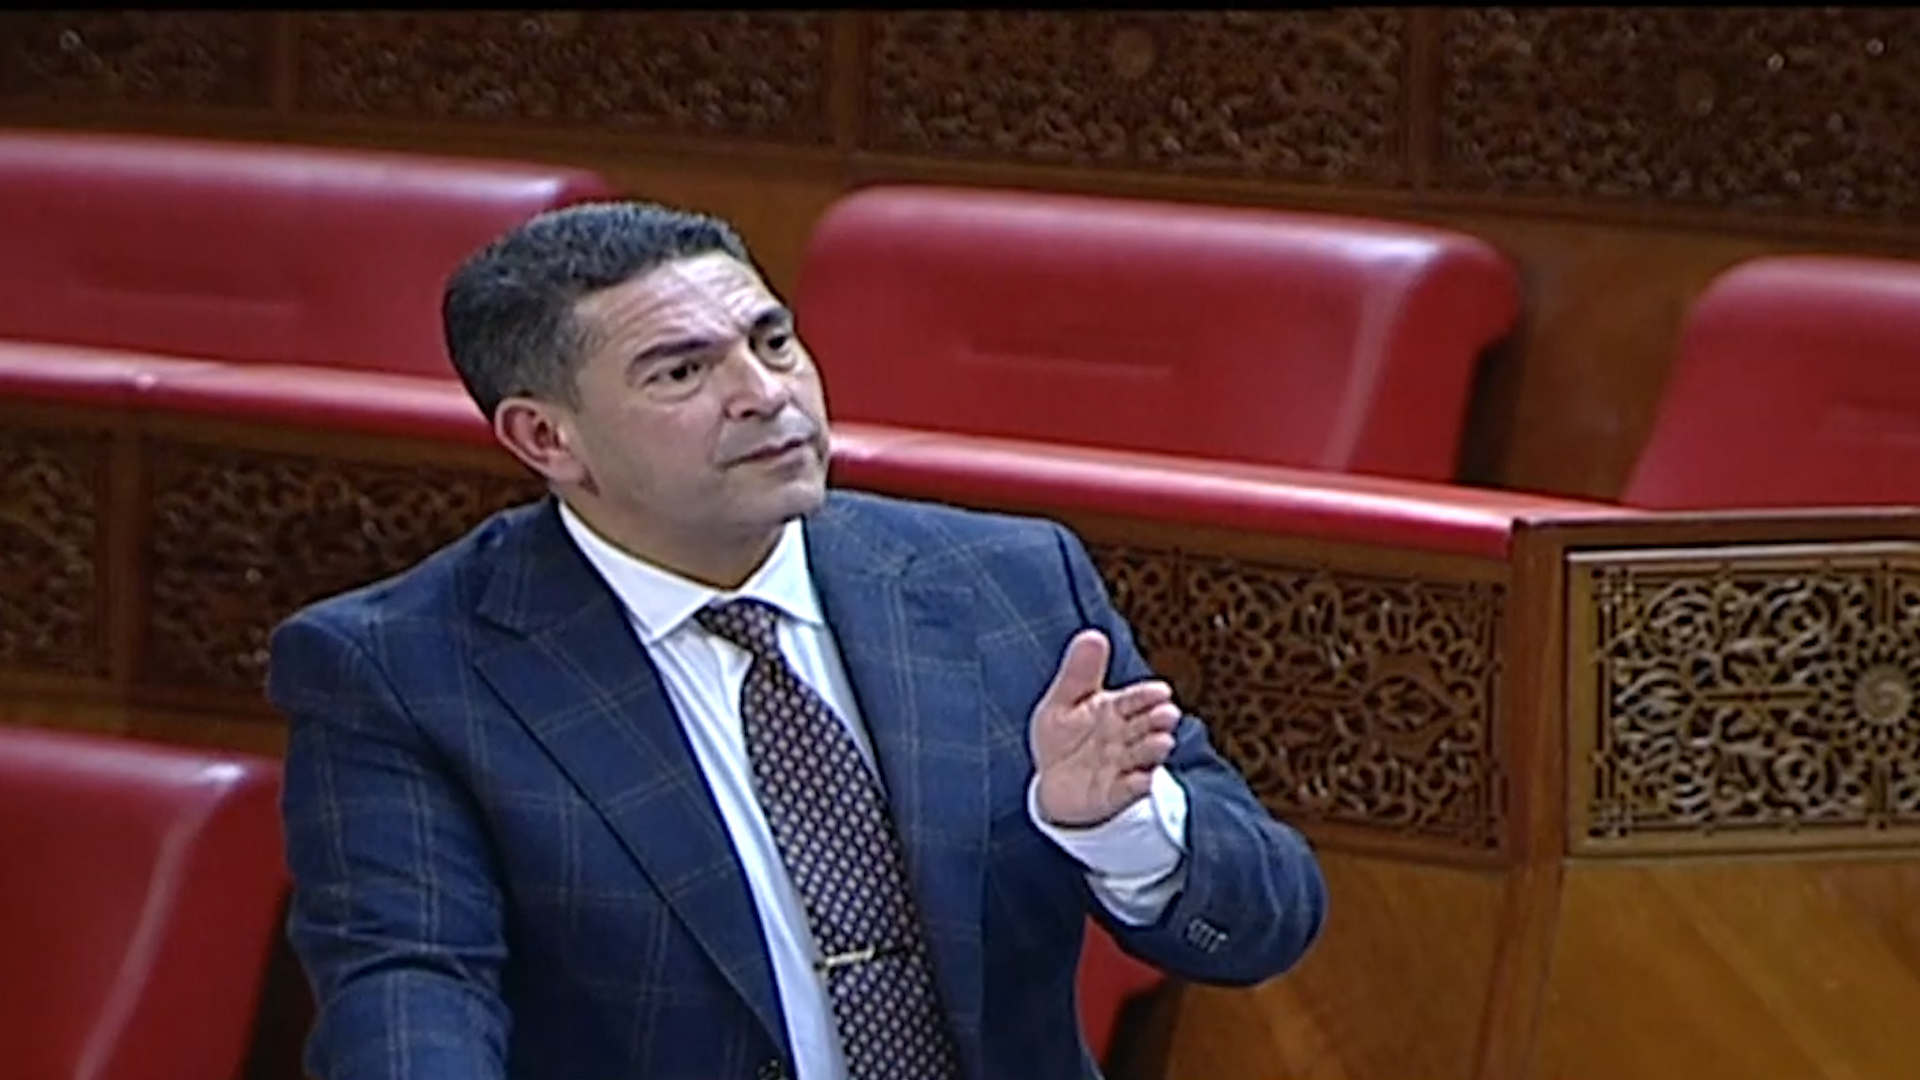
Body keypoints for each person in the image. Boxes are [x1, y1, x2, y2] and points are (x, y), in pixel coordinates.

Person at [267, 199, 1327, 1080]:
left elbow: (1267, 921)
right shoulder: (405, 672)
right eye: (681, 373)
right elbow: (409, 994)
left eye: (772, 342)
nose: (766, 395)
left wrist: (1121, 830)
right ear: (547, 437)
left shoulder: (1003, 585)